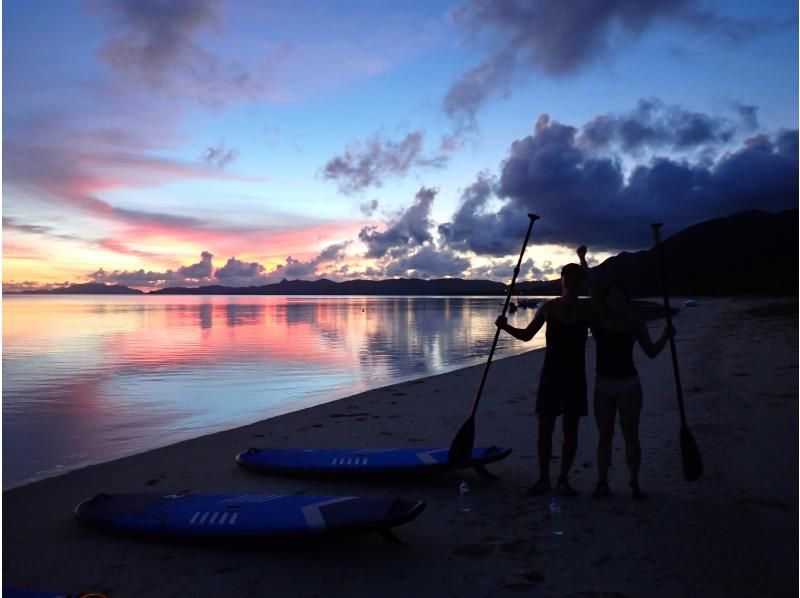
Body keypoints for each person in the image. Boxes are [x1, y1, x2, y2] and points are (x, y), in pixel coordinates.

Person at [579, 249, 674, 500]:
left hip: (629, 385)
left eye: (620, 295)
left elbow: (651, 352)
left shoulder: (635, 323)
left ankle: (634, 482)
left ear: (625, 298)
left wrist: (666, 335)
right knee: (605, 436)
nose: (616, 298)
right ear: (606, 299)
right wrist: (582, 260)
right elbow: (591, 284)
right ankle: (602, 482)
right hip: (603, 385)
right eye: (611, 295)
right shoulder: (598, 320)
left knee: (631, 433)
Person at [496, 253, 592, 497]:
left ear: (582, 284)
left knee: (571, 430)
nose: (570, 284)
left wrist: (583, 263)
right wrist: (505, 326)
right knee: (545, 428)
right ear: (561, 281)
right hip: (551, 374)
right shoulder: (549, 307)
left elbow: (600, 297)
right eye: (567, 280)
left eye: (575, 280)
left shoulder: (588, 309)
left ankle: (563, 479)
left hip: (575, 376)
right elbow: (528, 336)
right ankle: (543, 479)